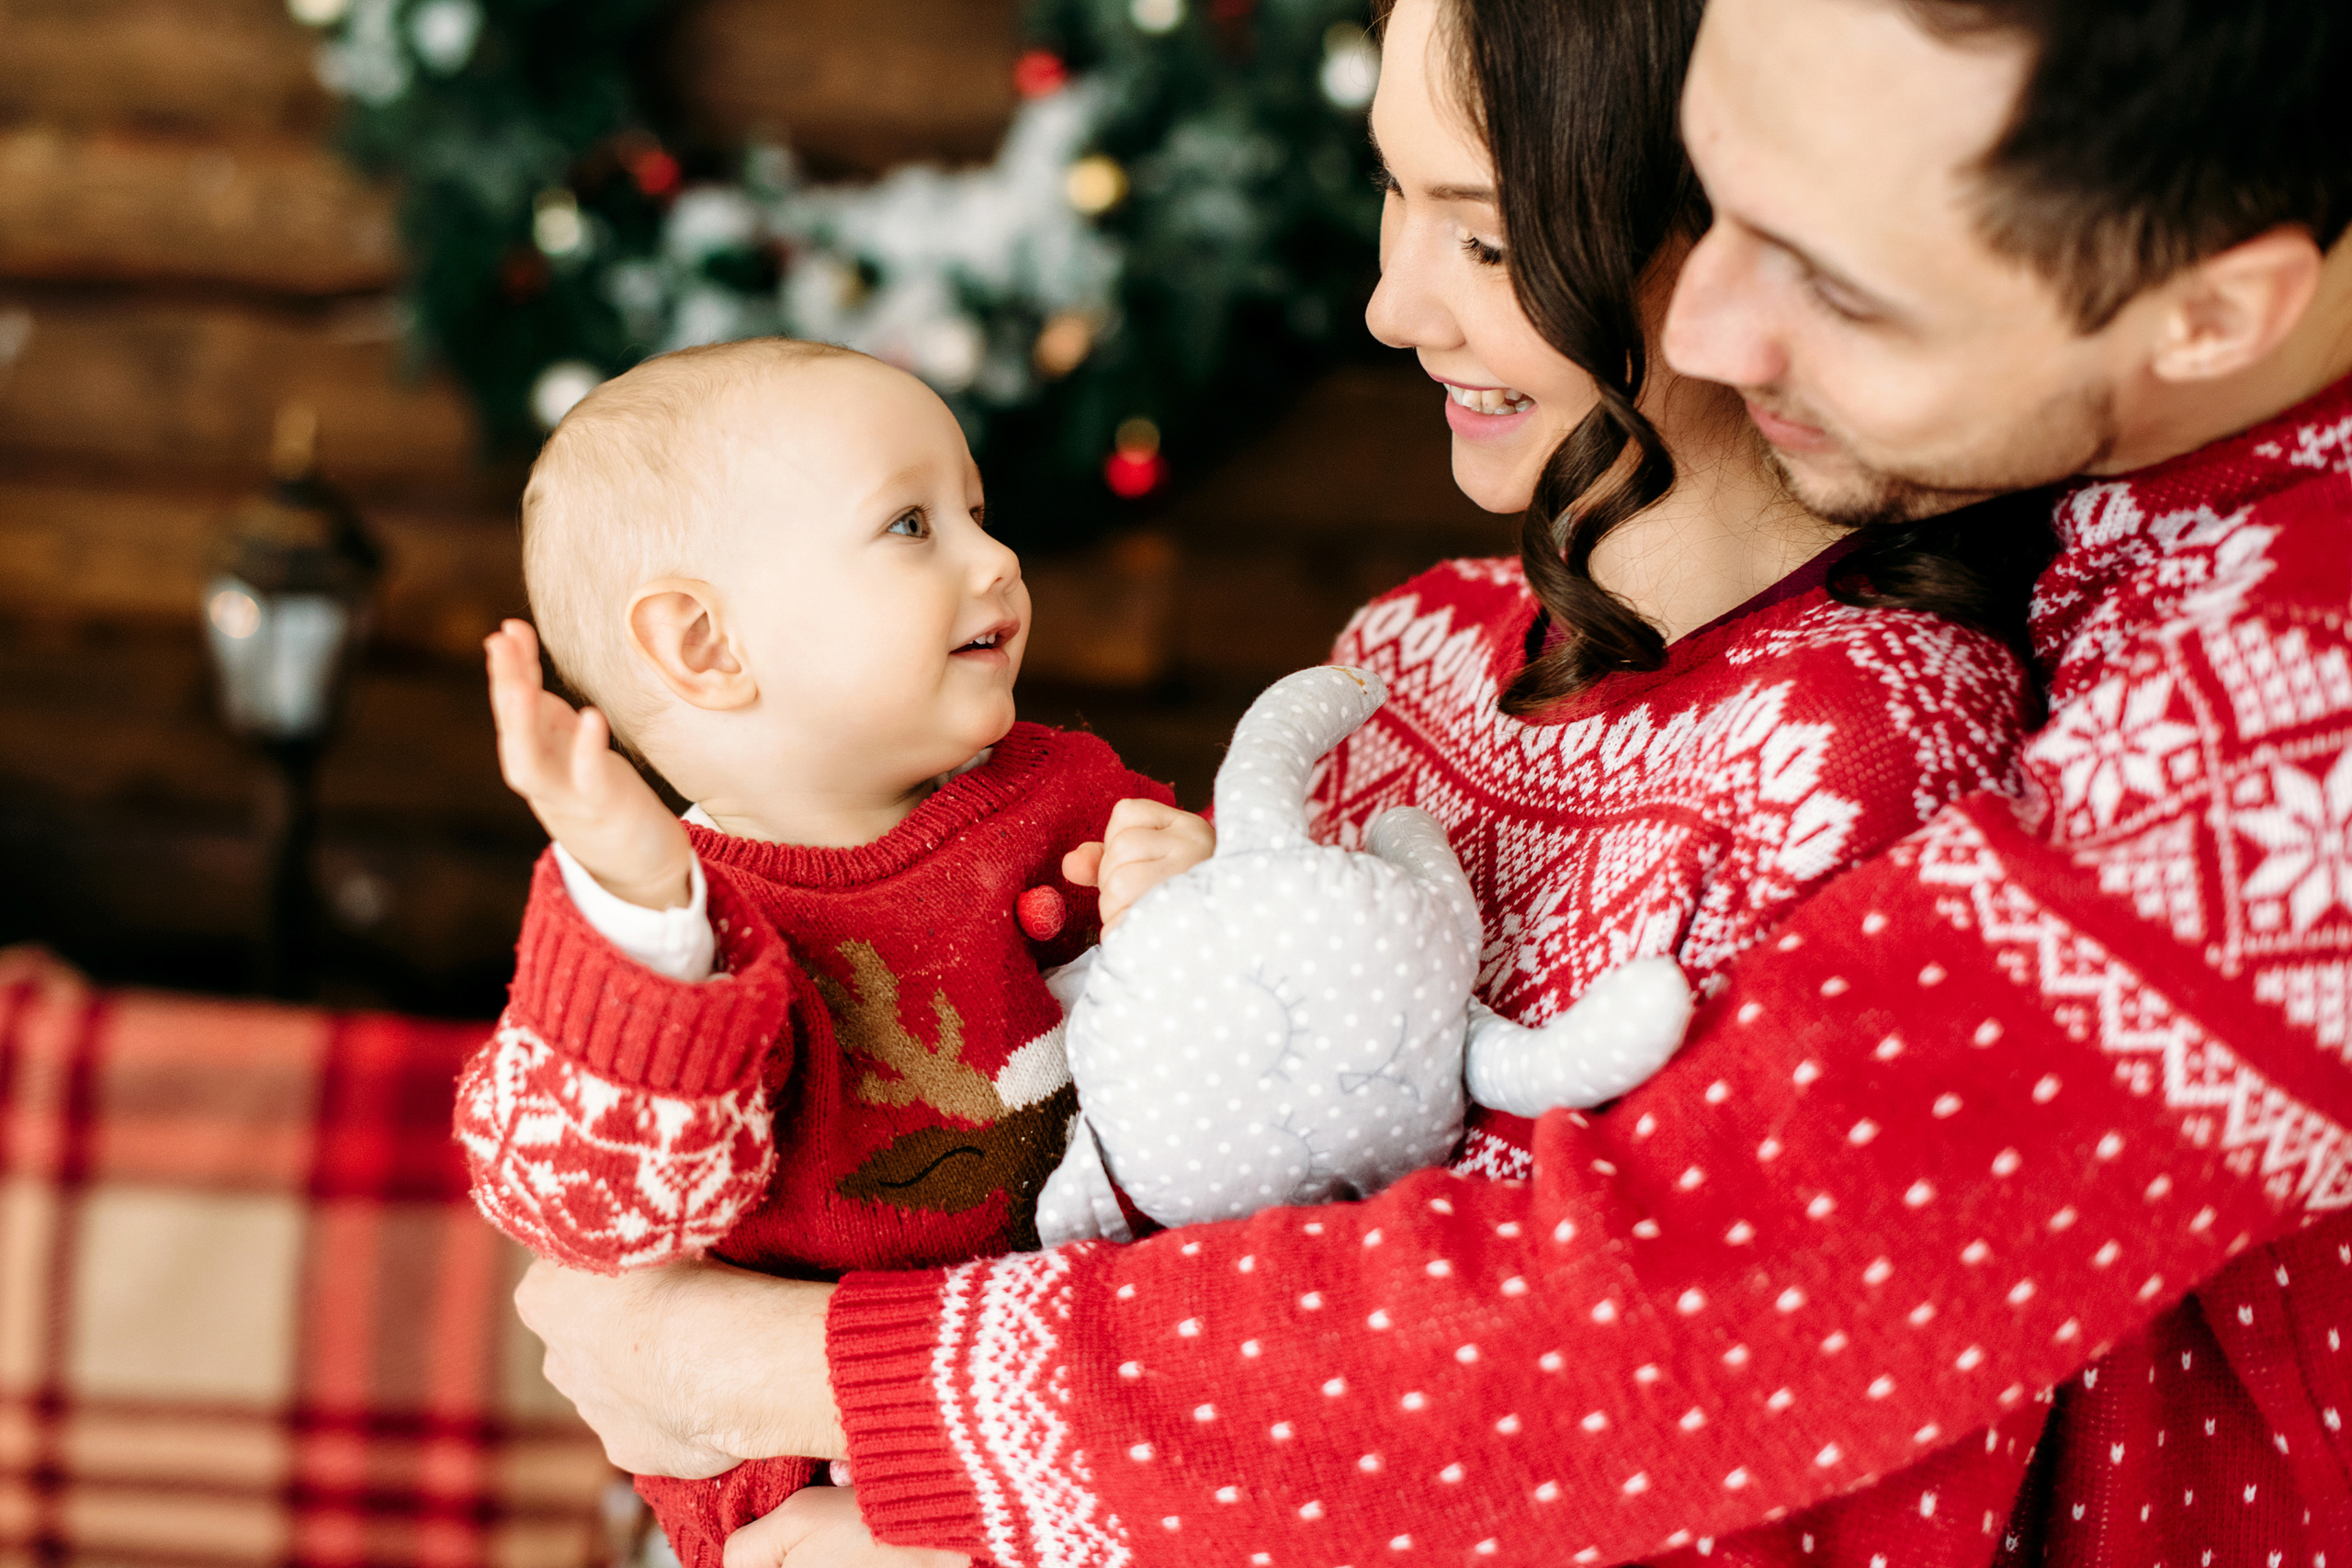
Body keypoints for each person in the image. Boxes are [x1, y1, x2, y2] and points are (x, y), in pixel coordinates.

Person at [515, 0, 2352, 1561]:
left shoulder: (2262, 720)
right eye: (1714, 205)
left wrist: (785, 1390)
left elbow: (1673, 1317)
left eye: (1824, 276)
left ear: (2206, 318)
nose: (1706, 319)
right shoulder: (1442, 646)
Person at [453, 339, 1214, 1566]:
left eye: (976, 510)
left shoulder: (1072, 799)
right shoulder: (660, 927)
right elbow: (603, 1216)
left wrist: (1196, 910)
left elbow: (1249, 1082)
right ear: (705, 648)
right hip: (815, 1499)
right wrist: (646, 910)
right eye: (911, 526)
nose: (995, 558)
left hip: (1103, 1449)